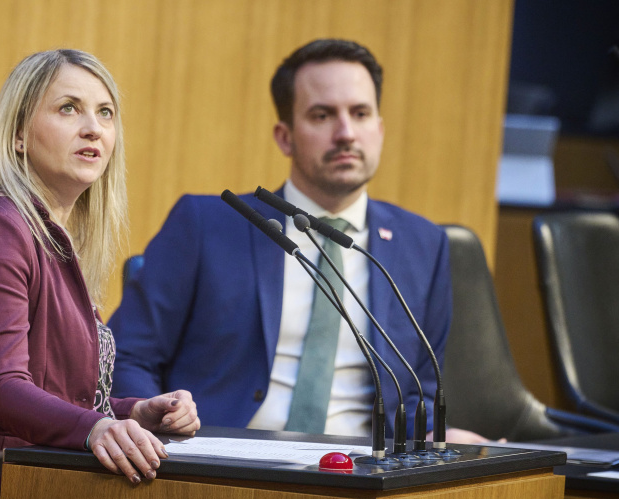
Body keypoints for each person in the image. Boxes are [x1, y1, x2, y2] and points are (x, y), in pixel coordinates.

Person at [109, 39, 487, 444]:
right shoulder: (207, 224)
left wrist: (440, 438)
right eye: (322, 115)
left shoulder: (423, 245)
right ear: (285, 136)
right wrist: (157, 419)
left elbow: (417, 397)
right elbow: (129, 356)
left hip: (364, 477)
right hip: (223, 467)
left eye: (360, 114)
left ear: (379, 128)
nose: (345, 133)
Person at [0, 49, 200, 499]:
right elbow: (3, 390)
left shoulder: (54, 238)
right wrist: (99, 428)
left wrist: (136, 412)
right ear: (18, 135)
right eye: (69, 108)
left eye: (105, 113)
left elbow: (65, 396)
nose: (93, 128)